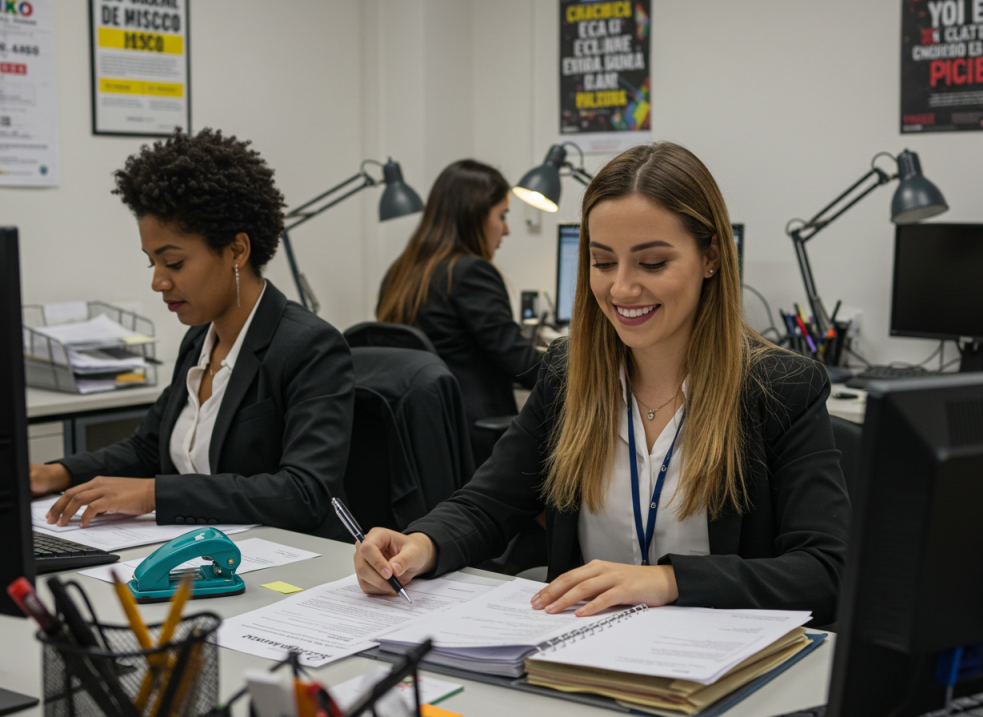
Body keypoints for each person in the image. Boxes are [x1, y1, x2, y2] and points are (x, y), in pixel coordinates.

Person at [355, 142, 850, 626]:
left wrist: (665, 582)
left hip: (715, 669)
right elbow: (488, 504)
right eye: (603, 261)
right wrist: (421, 545)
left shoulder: (782, 388)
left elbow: (826, 572)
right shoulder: (569, 374)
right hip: (581, 658)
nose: (621, 288)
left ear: (712, 257)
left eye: (653, 262)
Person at [30, 128, 355, 539]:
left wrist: (155, 495)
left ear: (237, 250)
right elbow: (148, 448)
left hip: (291, 562)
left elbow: (304, 493)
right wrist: (55, 474)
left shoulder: (309, 347)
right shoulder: (200, 339)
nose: (158, 282)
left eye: (174, 264)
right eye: (153, 264)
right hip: (207, 550)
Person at [377, 159, 543, 468]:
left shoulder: (399, 273)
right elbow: (519, 362)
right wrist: (581, 369)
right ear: (475, 216)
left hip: (418, 439)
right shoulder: (470, 272)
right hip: (474, 439)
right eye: (502, 216)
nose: (505, 230)